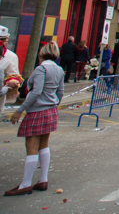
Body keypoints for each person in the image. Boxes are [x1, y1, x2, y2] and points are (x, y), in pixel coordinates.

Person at [5, 42, 64, 196]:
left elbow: (35, 92)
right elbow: (60, 92)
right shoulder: (59, 70)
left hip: (37, 111)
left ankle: (25, 184)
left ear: (40, 54)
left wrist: (19, 110)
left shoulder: (41, 69)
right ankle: (43, 179)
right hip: (51, 110)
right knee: (44, 144)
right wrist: (53, 103)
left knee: (31, 146)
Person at [0, 26, 23, 114]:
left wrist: (13, 82)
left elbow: (13, 75)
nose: (1, 42)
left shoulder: (10, 57)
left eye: (3, 40)